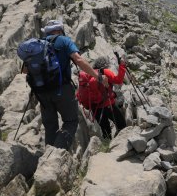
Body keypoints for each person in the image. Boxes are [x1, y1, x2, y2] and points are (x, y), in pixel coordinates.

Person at [27, 20, 104, 149]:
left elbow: (25, 69)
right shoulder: (63, 40)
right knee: (71, 121)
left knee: (50, 126)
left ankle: (48, 156)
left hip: (42, 92)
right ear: (60, 30)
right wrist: (98, 76)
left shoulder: (38, 44)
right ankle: (57, 153)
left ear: (46, 31)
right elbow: (78, 59)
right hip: (62, 89)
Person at [77, 57, 127, 139]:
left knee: (105, 131)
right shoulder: (104, 72)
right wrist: (122, 66)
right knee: (121, 124)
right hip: (108, 105)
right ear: (105, 65)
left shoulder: (89, 74)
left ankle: (107, 147)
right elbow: (118, 80)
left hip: (95, 108)